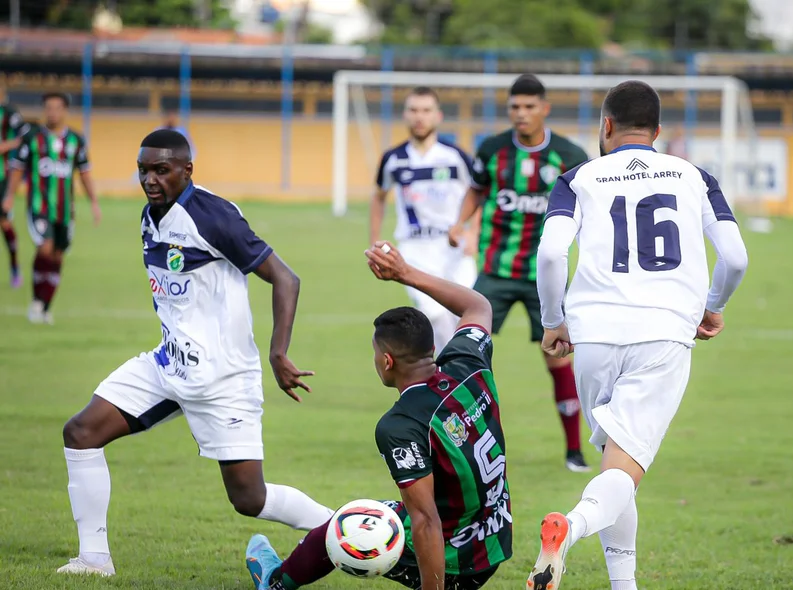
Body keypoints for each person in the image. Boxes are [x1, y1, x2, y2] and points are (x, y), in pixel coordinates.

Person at [56, 129, 332, 577]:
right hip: (167, 366)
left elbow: (286, 278)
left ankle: (340, 528)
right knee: (81, 432)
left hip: (222, 380)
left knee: (249, 499)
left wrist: (278, 352)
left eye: (161, 170)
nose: (149, 179)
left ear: (187, 170)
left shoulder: (213, 216)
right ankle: (93, 560)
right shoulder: (151, 215)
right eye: (143, 169)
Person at [527, 81, 749, 590]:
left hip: (593, 338)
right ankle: (570, 525)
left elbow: (551, 254)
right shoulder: (695, 176)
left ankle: (623, 585)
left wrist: (552, 320)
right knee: (621, 475)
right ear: (658, 132)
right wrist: (712, 307)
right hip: (662, 333)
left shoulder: (578, 178)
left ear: (605, 126)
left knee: (614, 467)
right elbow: (736, 257)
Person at [244, 241, 510, 590]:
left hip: (456, 560)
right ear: (431, 349)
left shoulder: (401, 425)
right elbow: (478, 305)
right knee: (365, 516)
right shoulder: (467, 363)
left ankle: (275, 583)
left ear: (387, 362)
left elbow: (426, 520)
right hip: (493, 536)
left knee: (347, 527)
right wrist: (405, 273)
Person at [448, 73, 591, 473]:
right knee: (465, 354)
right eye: (515, 107)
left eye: (529, 106)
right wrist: (461, 223)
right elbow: (477, 189)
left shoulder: (568, 154)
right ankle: (457, 445)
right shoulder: (493, 149)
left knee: (558, 359)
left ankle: (574, 449)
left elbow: (590, 204)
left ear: (545, 109)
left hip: (544, 275)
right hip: (494, 271)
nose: (521, 114)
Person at [370, 86, 478, 353]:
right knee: (436, 316)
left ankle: (461, 378)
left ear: (438, 116)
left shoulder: (455, 156)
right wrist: (375, 241)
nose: (420, 117)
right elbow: (379, 196)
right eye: (414, 110)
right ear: (405, 115)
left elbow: (478, 193)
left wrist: (472, 233)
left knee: (464, 317)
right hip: (415, 250)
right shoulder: (393, 159)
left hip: (454, 249)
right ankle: (454, 378)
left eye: (426, 110)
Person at [1, 92, 101, 323]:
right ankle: (36, 303)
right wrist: (8, 196)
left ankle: (45, 306)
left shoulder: (76, 140)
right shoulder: (33, 139)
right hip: (39, 206)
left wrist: (94, 202)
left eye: (57, 108)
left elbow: (84, 173)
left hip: (66, 210)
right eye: (49, 108)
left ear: (64, 110)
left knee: (57, 255)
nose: (53, 112)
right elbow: (17, 169)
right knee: (45, 248)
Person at [0, 99, 31, 287]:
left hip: (2, 179)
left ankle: (15, 268)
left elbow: (27, 135)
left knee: (4, 223)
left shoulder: (9, 114)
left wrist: (6, 145)